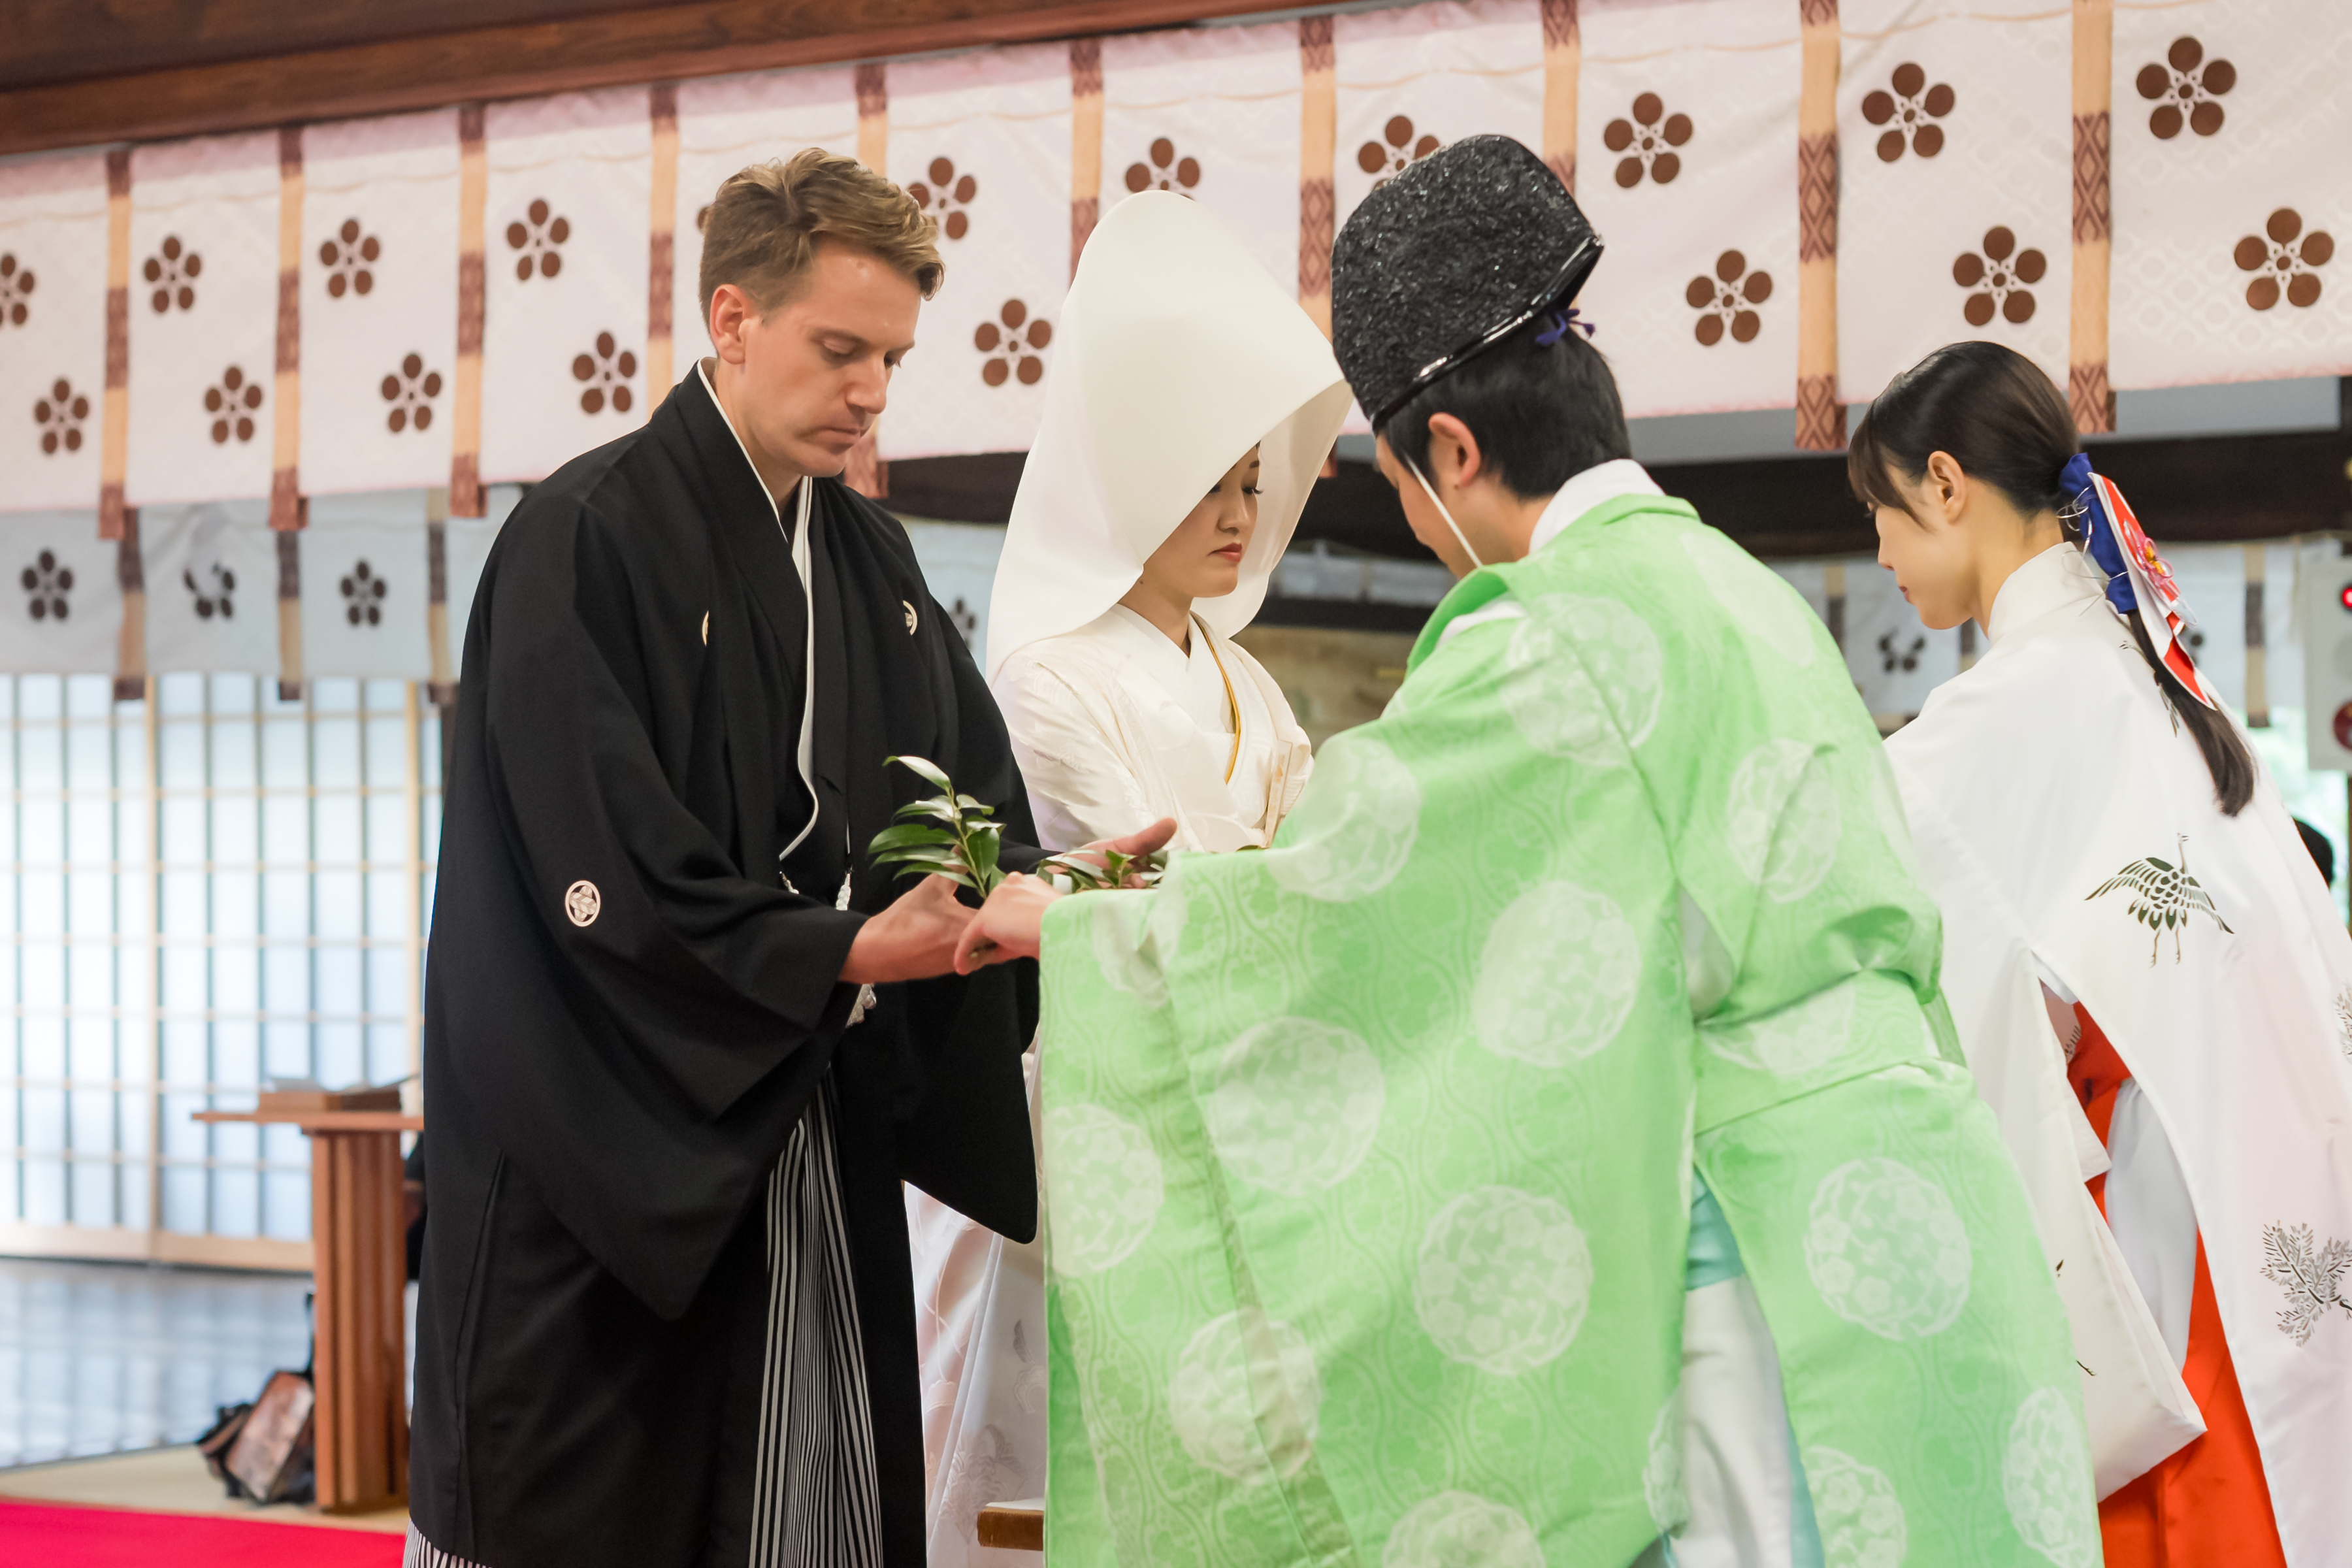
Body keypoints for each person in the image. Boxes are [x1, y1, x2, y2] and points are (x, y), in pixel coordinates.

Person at [955, 136, 2097, 1567]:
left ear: (1450, 452)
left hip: (1746, 1257)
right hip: (1913, 1214)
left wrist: (1078, 935)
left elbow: (1354, 913)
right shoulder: (1741, 593)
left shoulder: (1547, 632)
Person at [406, 150, 1163, 1568]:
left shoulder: (869, 564)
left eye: (890, 357)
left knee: (806, 1504)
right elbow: (598, 866)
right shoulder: (583, 538)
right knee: (588, 1509)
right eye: (840, 349)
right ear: (732, 318)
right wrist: (843, 947)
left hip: (797, 1107)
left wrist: (1036, 894)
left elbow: (963, 808)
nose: (873, 391)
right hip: (610, 1138)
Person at [902, 190, 1347, 1563]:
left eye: (1249, 485)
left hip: (1235, 1071)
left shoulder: (1245, 673)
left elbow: (1296, 865)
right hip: (1092, 1084)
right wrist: (1279, 877)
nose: (1238, 513)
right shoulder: (1047, 670)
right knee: (1031, 1433)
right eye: (1207, 484)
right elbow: (1145, 892)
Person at [1865, 340, 2352, 1568]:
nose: (1878, 554)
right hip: (2255, 1175)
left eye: (1880, 514)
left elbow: (1845, 890)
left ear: (1943, 483)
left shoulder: (2025, 704)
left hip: (2151, 1211)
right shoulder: (2152, 682)